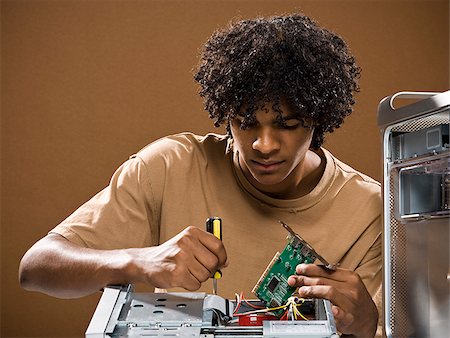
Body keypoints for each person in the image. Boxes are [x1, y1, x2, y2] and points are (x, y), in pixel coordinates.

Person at [19, 13, 381, 337]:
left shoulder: (370, 210)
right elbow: (36, 267)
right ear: (225, 114)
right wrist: (138, 262)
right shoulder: (168, 166)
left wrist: (367, 324)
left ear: (317, 120)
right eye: (246, 123)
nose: (263, 145)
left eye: (286, 125)